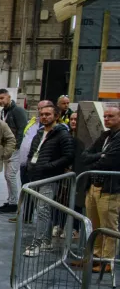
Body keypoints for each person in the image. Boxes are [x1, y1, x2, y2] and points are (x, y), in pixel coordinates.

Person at [23, 100, 75, 256]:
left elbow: (68, 156)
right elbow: (32, 152)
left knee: (43, 211)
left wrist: (50, 166)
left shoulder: (62, 135)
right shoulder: (39, 133)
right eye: (42, 114)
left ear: (56, 116)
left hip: (50, 178)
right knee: (41, 211)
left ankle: (37, 243)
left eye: (48, 114)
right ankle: (45, 241)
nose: (44, 117)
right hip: (35, 176)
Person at [80, 103, 120, 271]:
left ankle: (107, 260)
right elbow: (84, 155)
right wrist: (99, 156)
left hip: (110, 189)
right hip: (94, 187)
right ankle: (96, 256)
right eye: (105, 116)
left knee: (109, 226)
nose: (106, 119)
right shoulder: (104, 136)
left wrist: (95, 161)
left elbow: (109, 161)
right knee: (95, 225)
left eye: (110, 116)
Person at [0, 89, 29, 212]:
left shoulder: (18, 111)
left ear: (9, 97)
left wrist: (16, 146)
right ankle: (11, 200)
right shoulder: (4, 112)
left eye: (2, 98)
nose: (0, 101)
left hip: (15, 148)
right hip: (6, 148)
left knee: (11, 175)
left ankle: (14, 203)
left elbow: (22, 129)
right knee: (7, 176)